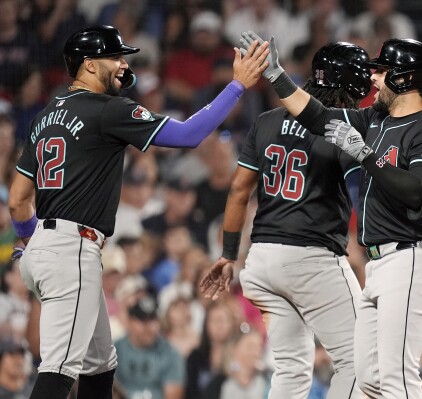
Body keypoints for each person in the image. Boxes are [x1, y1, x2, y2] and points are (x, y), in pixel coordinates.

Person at [6, 24, 269, 399]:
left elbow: (18, 199)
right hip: (72, 249)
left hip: (49, 245)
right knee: (58, 370)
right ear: (89, 65)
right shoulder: (107, 109)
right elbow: (189, 135)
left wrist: (37, 240)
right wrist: (237, 86)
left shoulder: (46, 115)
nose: (122, 64)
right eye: (114, 57)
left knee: (100, 364)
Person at [232, 32, 422, 398]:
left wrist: (366, 156)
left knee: (398, 381)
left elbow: (419, 194)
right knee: (368, 379)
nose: (373, 77)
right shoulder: (375, 119)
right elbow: (318, 115)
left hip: (413, 258)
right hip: (381, 263)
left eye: (382, 71)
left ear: (404, 79)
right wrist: (276, 76)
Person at [200, 41, 373, 398]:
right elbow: (363, 198)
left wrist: (229, 253)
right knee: (363, 361)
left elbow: (238, 191)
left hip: (261, 261)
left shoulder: (266, 122)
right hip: (312, 259)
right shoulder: (342, 127)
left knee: (291, 370)